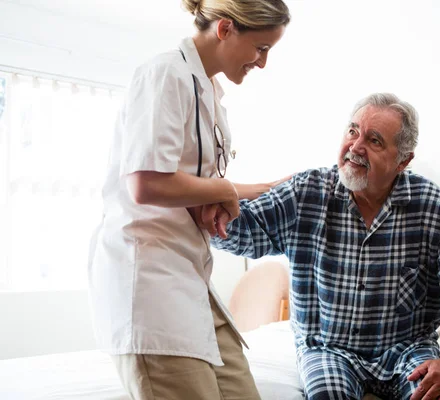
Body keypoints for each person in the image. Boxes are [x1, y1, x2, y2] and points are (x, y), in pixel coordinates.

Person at [197, 93, 440, 400]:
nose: (356, 147)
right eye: (352, 131)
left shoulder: (432, 207)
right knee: (327, 394)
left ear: (403, 161)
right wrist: (203, 200)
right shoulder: (308, 192)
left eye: (374, 141)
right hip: (328, 349)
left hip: (407, 350)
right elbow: (245, 226)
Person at [88, 1, 291, 399]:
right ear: (226, 29)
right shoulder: (166, 74)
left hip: (189, 279)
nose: (262, 63)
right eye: (261, 48)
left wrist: (276, 187)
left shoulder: (209, 91)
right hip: (149, 282)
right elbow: (146, 184)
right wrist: (224, 191)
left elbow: (197, 184)